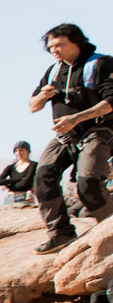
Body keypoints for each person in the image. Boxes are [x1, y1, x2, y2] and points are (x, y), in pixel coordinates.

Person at [28, 23, 113, 252]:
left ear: (77, 41)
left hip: (98, 131)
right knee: (42, 179)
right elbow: (33, 106)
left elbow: (111, 102)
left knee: (88, 185)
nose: (54, 50)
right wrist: (42, 97)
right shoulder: (53, 71)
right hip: (64, 136)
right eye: (51, 46)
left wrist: (77, 118)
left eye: (59, 44)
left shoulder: (101, 63)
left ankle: (109, 233)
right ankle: (60, 233)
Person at [0, 141, 36, 206]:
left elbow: (25, 183)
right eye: (16, 151)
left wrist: (8, 185)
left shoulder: (33, 165)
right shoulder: (10, 167)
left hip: (24, 198)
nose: (19, 153)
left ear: (28, 151)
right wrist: (20, 179)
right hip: (9, 198)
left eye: (21, 150)